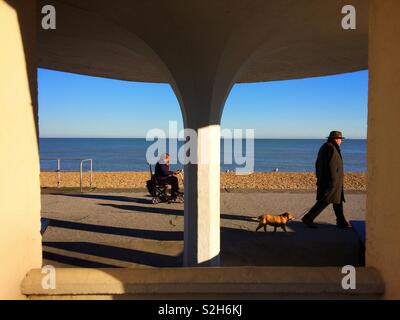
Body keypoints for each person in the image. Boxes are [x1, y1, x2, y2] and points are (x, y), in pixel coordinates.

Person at [302, 131, 351, 229]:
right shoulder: (330, 147)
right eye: (340, 139)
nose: (341, 141)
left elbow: (318, 164)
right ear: (335, 139)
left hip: (333, 181)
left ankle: (341, 222)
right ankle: (308, 218)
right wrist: (333, 181)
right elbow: (331, 166)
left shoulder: (328, 147)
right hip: (332, 181)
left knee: (337, 201)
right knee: (325, 201)